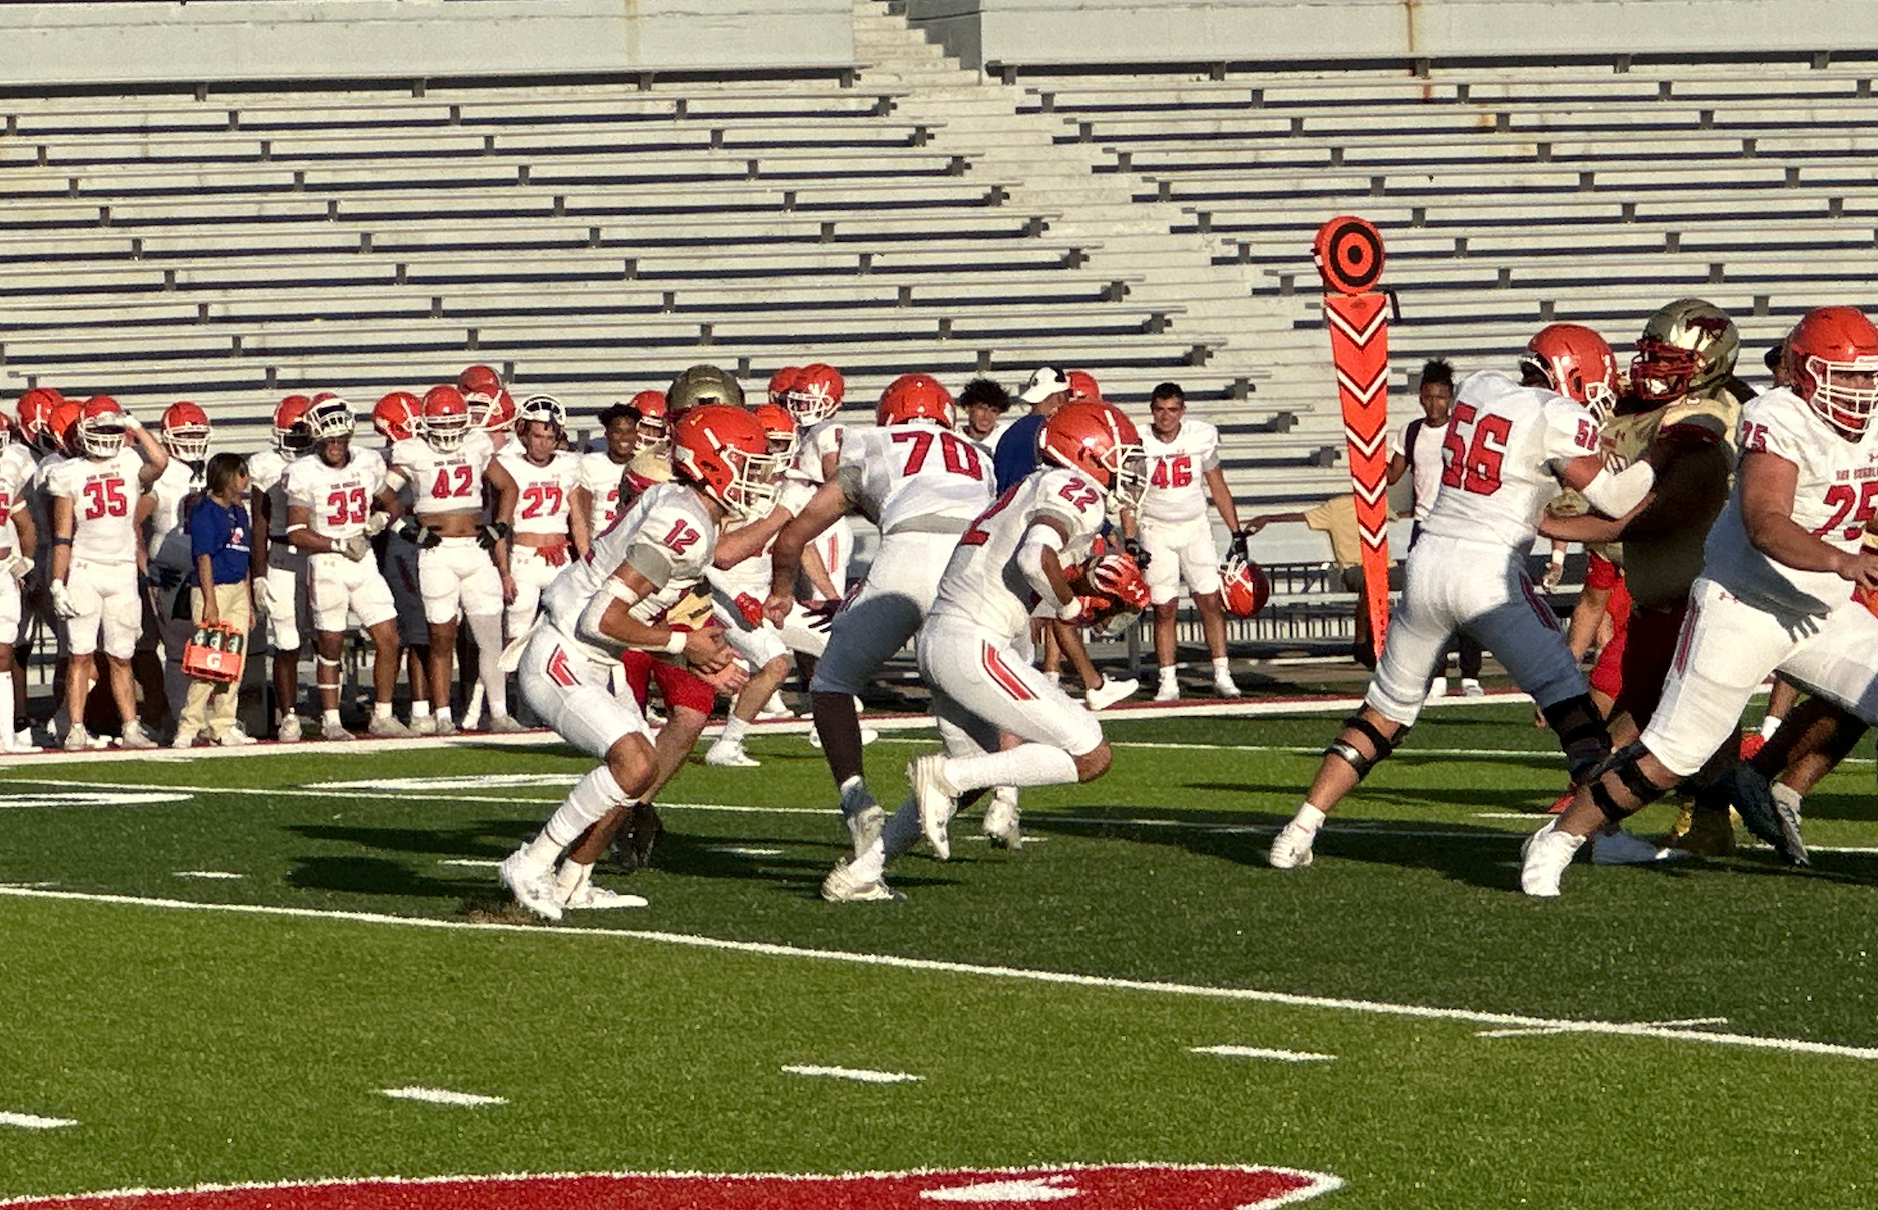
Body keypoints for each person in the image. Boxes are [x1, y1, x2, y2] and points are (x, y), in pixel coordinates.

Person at [1524, 305, 1878, 896]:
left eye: (1869, 376)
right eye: (1846, 376)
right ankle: (1559, 837)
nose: (1861, 390)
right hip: (1746, 607)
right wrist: (1844, 560)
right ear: (1805, 372)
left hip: (1825, 610)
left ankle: (1775, 788)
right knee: (1672, 754)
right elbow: (1767, 522)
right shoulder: (1779, 416)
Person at [1267, 324, 1640, 871]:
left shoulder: (1481, 386)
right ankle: (1603, 836)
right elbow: (1611, 497)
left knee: (1384, 712)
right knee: (1573, 712)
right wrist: (1661, 474)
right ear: (1572, 373)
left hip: (1427, 564)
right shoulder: (1556, 414)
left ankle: (1299, 829)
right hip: (1489, 574)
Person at [496, 386, 777, 922]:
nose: (755, 476)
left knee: (640, 774)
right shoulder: (686, 521)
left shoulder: (689, 509)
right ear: (711, 461)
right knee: (635, 760)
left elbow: (663, 597)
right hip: (567, 652)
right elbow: (604, 618)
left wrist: (699, 651)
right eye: (746, 463)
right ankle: (532, 863)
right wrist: (684, 645)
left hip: (593, 655)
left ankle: (575, 879)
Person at [765, 373, 1001, 899]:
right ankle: (893, 844)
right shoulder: (979, 454)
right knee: (980, 758)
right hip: (974, 569)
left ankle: (856, 801)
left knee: (831, 681)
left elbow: (795, 534)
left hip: (910, 555)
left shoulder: (871, 442)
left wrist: (782, 591)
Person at [1534, 298, 1752, 855]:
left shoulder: (1709, 415)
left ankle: (1604, 816)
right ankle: (1688, 813)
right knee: (1653, 712)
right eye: (1650, 356)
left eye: (1670, 358)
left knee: (1676, 715)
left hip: (1702, 591)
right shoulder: (1645, 411)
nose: (1652, 369)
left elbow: (1659, 512)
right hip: (1657, 593)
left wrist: (1566, 518)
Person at [907, 399, 1150, 875]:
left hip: (941, 636)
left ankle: (865, 869)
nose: (1130, 469)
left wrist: (1089, 581)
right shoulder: (1076, 488)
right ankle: (946, 774)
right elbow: (1036, 560)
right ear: (1089, 451)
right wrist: (1072, 605)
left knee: (976, 777)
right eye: (1121, 454)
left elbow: (1032, 569)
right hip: (972, 641)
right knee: (1089, 754)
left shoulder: (1029, 486)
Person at [387, 384, 520, 735]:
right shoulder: (412, 450)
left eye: (453, 425)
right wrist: (406, 529)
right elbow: (382, 495)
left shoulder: (476, 444)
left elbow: (509, 486)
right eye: (440, 426)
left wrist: (499, 527)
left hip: (475, 551)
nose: (447, 433)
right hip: (437, 552)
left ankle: (500, 712)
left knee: (490, 639)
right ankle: (444, 715)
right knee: (441, 637)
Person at [46, 397, 171, 750]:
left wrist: (135, 426)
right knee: (81, 654)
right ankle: (76, 727)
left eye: (111, 428)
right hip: (85, 568)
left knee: (121, 656)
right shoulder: (68, 472)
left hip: (122, 570)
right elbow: (62, 536)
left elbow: (160, 461)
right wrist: (58, 581)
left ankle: (130, 727)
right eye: (98, 428)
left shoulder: (130, 461)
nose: (105, 435)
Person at [283, 396, 407, 741]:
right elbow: (296, 531)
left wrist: (381, 518)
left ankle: (382, 713)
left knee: (389, 636)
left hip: (363, 559)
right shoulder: (304, 472)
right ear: (318, 439)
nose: (335, 447)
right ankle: (331, 719)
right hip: (327, 562)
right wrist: (337, 543)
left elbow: (392, 502)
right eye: (329, 441)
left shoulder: (366, 462)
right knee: (331, 643)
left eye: (340, 440)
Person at [1132, 380, 1244, 701]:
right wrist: (1130, 537)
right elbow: (1130, 493)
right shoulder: (1138, 440)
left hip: (1195, 526)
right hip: (1155, 529)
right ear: (1151, 410)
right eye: (1160, 409)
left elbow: (1217, 485)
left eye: (1172, 409)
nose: (1166, 416)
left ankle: (1222, 673)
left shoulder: (1199, 436)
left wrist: (1236, 532)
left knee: (1209, 600)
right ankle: (1168, 679)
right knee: (1164, 607)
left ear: (1183, 410)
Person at [1386, 359, 1484, 697]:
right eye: (1427, 397)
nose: (1434, 404)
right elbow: (1392, 475)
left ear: (1451, 397)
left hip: (1461, 524)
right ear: (1419, 398)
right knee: (1429, 602)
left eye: (1440, 397)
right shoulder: (1411, 432)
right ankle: (1437, 674)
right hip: (1424, 525)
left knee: (1466, 600)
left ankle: (1470, 673)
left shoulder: (1462, 429)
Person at [172, 453, 255, 747]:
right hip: (214, 589)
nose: (245, 480)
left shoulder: (240, 511)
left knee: (234, 663)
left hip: (236, 589)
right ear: (229, 476)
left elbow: (243, 558)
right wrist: (210, 601)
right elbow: (203, 557)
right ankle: (189, 725)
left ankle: (223, 724)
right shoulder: (205, 511)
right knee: (209, 661)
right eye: (241, 473)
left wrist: (249, 599)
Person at [1240, 494, 1375, 666]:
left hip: (1387, 567)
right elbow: (1303, 517)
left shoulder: (1377, 503)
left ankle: (1390, 641)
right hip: (1357, 567)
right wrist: (1268, 518)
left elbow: (1397, 518)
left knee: (1407, 582)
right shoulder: (1338, 506)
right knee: (1371, 583)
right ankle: (1362, 642)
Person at [496, 394, 589, 641]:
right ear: (524, 434)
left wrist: (587, 559)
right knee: (516, 631)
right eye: (537, 436)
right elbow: (499, 525)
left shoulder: (568, 464)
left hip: (560, 558)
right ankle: (508, 680)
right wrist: (504, 572)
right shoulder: (507, 465)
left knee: (568, 627)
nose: (543, 444)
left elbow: (577, 519)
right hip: (524, 559)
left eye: (549, 438)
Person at [249, 395, 315, 741]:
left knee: (326, 635)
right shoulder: (265, 464)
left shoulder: (327, 461)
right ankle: (288, 715)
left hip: (320, 553)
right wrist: (258, 574)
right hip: (281, 553)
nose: (300, 442)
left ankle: (328, 712)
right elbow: (258, 524)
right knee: (286, 641)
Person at [0, 410, 37, 751]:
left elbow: (24, 523)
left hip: (2, 571)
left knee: (3, 651)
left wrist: (24, 561)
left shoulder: (8, 470)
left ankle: (6, 735)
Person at [957, 377, 1014, 451]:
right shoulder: (954, 438)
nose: (987, 416)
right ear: (968, 408)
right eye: (982, 408)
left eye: (994, 411)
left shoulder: (1006, 437)